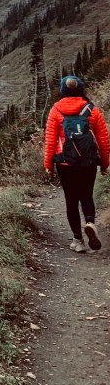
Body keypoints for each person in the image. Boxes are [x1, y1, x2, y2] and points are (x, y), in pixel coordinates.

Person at [44, 75, 110, 252]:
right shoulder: (91, 110)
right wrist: (104, 163)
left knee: (71, 200)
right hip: (88, 162)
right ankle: (89, 222)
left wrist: (48, 165)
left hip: (65, 163)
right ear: (81, 90)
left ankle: (78, 241)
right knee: (86, 195)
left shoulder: (56, 110)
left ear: (62, 91)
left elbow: (50, 141)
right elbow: (103, 140)